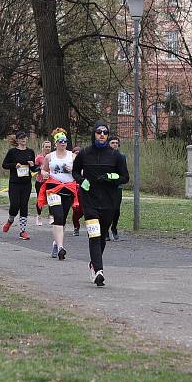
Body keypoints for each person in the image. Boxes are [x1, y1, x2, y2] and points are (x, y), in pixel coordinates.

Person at [73, 122, 129, 286]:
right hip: (89, 200)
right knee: (94, 234)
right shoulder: (84, 153)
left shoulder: (116, 156)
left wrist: (111, 177)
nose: (102, 135)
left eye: (105, 132)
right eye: (99, 132)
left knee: (102, 234)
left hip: (109, 202)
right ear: (94, 134)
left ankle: (93, 264)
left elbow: (125, 177)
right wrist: (81, 180)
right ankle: (99, 271)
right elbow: (75, 171)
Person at [37, 129, 79, 261]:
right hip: (53, 188)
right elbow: (43, 169)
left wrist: (74, 169)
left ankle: (56, 243)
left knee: (63, 217)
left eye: (65, 141)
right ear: (56, 143)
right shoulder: (50, 157)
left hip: (68, 189)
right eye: (60, 141)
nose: (63, 143)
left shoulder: (72, 156)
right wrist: (44, 173)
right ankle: (61, 247)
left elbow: (80, 171)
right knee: (58, 215)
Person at [1, 131, 37, 240]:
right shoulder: (12, 152)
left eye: (25, 138)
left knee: (24, 206)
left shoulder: (30, 152)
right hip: (14, 183)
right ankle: (10, 220)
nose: (23, 139)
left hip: (26, 183)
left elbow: (34, 169)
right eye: (21, 138)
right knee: (15, 205)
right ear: (17, 140)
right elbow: (4, 165)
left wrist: (33, 165)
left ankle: (22, 231)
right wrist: (14, 165)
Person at [107, 136, 126, 241]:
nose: (115, 144)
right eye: (112, 142)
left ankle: (114, 227)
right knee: (106, 209)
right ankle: (105, 230)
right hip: (106, 186)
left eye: (116, 143)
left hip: (117, 186)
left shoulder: (122, 156)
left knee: (116, 209)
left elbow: (124, 172)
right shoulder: (104, 156)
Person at [34, 140, 52, 226]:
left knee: (51, 198)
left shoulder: (53, 156)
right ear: (43, 148)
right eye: (46, 147)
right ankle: (39, 216)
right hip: (40, 181)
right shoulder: (39, 157)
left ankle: (51, 216)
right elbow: (34, 168)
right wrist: (40, 168)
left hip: (50, 181)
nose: (48, 148)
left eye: (49, 147)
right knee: (40, 198)